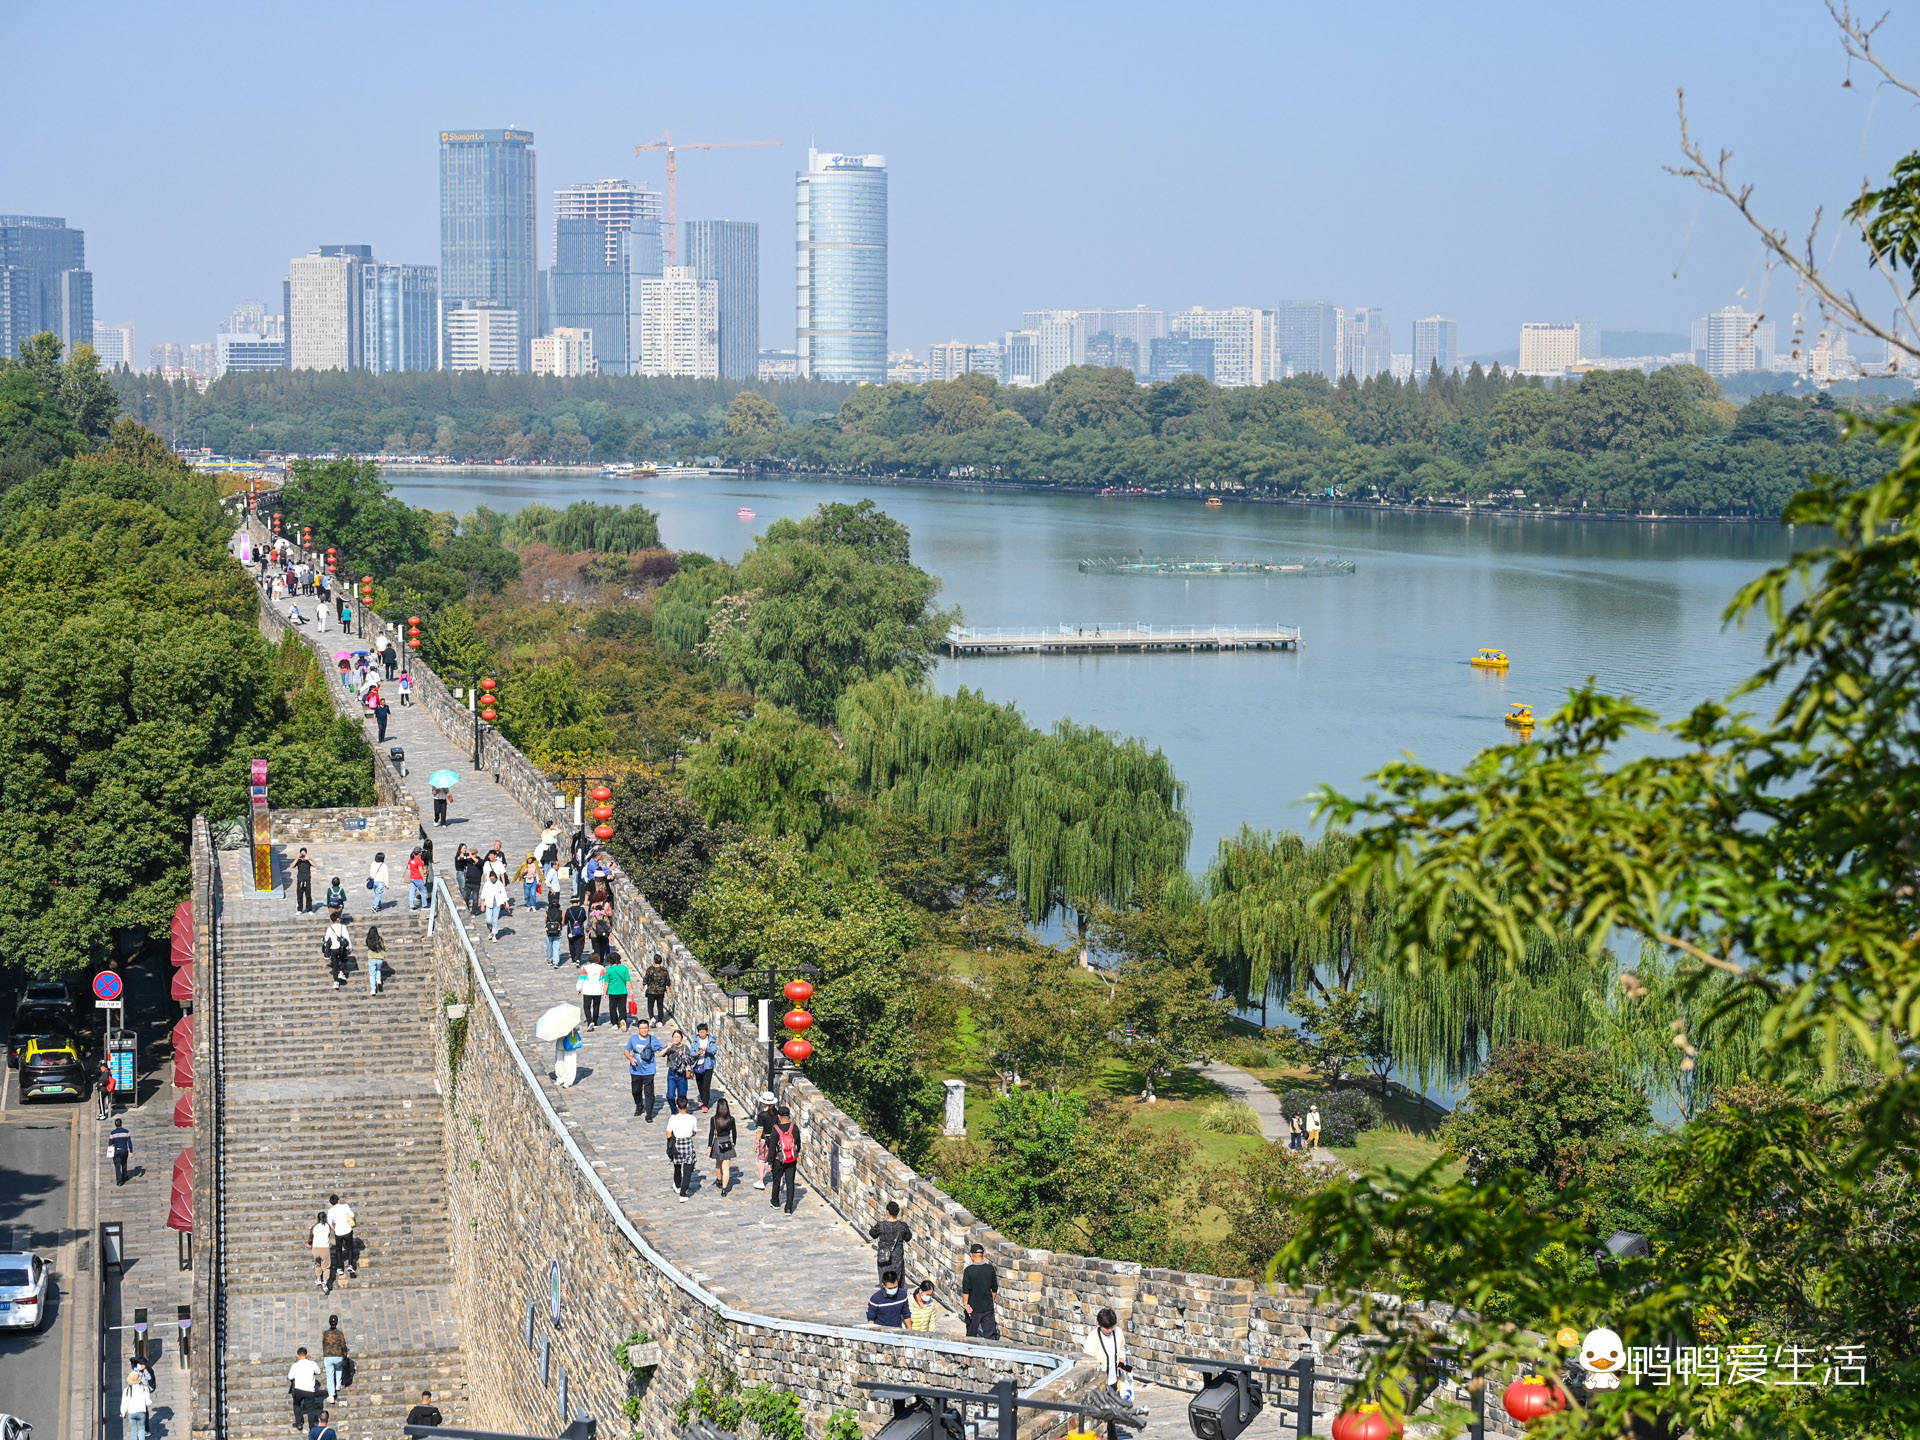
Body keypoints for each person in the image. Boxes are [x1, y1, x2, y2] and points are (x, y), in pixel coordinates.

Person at [1082, 1307, 1131, 1395]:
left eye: (1111, 1327)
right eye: (1106, 1328)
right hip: (1101, 1384)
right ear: (1100, 1325)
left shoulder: (1118, 1332)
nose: (1109, 1330)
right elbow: (1088, 1362)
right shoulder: (1092, 1338)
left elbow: (1122, 1348)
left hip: (1115, 1380)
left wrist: (1121, 1359)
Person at [766, 1105, 802, 1214]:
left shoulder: (776, 1129)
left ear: (779, 1116)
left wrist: (770, 1163)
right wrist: (793, 1154)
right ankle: (789, 1208)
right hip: (791, 1160)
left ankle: (775, 1202)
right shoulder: (794, 1128)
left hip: (779, 1159)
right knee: (790, 1182)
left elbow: (772, 1148)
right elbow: (798, 1145)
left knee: (777, 1180)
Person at [961, 1243, 999, 1339]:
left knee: (971, 1334)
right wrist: (992, 1301)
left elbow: (966, 1290)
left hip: (973, 1308)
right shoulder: (990, 1269)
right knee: (990, 1335)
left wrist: (966, 1305)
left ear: (971, 1255)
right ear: (983, 1255)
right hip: (987, 1307)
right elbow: (994, 1288)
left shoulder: (968, 1270)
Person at [869, 1201, 912, 1284]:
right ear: (897, 1212)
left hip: (884, 1256)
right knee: (897, 1281)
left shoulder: (881, 1225)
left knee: (884, 1280)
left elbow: (872, 1234)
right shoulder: (902, 1226)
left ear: (887, 1212)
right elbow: (908, 1238)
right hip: (897, 1258)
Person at [624, 1023, 662, 1119]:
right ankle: (639, 1105)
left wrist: (669, 1047)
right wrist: (631, 1059)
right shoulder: (633, 1039)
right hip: (636, 1070)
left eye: (645, 1028)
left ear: (648, 1029)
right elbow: (627, 1050)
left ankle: (649, 1114)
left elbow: (662, 1049)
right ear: (638, 1029)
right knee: (636, 1090)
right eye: (642, 1028)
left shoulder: (653, 1040)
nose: (644, 1030)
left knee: (649, 1093)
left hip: (649, 1070)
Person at [666, 1100, 699, 1200]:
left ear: (677, 1106)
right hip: (687, 1144)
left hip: (677, 1144)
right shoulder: (692, 1118)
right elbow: (694, 1132)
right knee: (687, 1169)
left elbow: (668, 1133)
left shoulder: (673, 1118)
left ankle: (677, 1185)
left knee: (677, 1166)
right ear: (687, 1105)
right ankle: (683, 1194)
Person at [288, 1347, 324, 1432]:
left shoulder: (295, 1365)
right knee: (311, 1410)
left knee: (296, 1406)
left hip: (298, 1390)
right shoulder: (312, 1363)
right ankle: (311, 1428)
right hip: (309, 1390)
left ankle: (299, 1423)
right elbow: (318, 1371)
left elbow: (290, 1377)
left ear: (298, 1356)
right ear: (306, 1355)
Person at [707, 1098, 737, 1195]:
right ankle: (724, 1190)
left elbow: (711, 1133)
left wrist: (709, 1146)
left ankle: (719, 1180)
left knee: (718, 1164)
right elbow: (734, 1132)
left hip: (717, 1142)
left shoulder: (714, 1119)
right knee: (726, 1168)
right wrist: (734, 1142)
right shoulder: (731, 1119)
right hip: (727, 1142)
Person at [326, 1193, 357, 1278]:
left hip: (338, 1232)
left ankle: (340, 1268)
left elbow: (329, 1223)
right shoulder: (345, 1206)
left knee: (338, 1250)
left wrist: (334, 1229)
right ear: (338, 1200)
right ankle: (350, 1265)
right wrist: (353, 1222)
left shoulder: (330, 1211)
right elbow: (352, 1215)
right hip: (347, 1230)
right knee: (350, 1248)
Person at [121, 1362, 154, 1440]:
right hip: (141, 1412)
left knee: (134, 1430)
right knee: (142, 1429)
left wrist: (123, 1413)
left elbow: (124, 1403)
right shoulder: (144, 1388)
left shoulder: (126, 1390)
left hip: (131, 1413)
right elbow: (148, 1402)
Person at [321, 1314, 349, 1402]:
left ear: (329, 1323)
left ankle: (331, 1395)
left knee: (329, 1376)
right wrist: (345, 1353)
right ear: (336, 1323)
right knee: (339, 1368)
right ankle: (338, 1384)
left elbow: (323, 1343)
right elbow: (343, 1345)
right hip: (338, 1355)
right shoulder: (340, 1333)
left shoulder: (325, 1333)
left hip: (328, 1356)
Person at [753, 1091, 778, 1189]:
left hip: (765, 1140)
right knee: (776, 1159)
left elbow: (760, 1130)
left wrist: (756, 1142)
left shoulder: (762, 1115)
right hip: (776, 1140)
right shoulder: (777, 1114)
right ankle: (777, 1179)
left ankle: (761, 1181)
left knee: (762, 1160)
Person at [691, 1022, 717, 1109]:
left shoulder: (711, 1040)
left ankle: (705, 1104)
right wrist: (697, 1053)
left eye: (703, 1032)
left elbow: (714, 1051)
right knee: (699, 1084)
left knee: (706, 1085)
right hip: (697, 1065)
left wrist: (707, 1049)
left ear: (706, 1031)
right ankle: (703, 1099)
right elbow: (691, 1052)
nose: (701, 1034)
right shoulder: (695, 1040)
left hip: (708, 1065)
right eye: (700, 1032)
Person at [603, 950, 631, 1030]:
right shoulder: (624, 968)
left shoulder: (609, 970)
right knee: (622, 1007)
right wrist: (631, 990)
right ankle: (622, 1019)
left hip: (612, 992)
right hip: (622, 991)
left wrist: (605, 993)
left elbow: (606, 983)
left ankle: (614, 1023)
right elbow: (628, 980)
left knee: (613, 1008)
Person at [575, 956, 607, 1026]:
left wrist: (579, 989)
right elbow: (603, 980)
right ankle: (595, 1022)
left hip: (587, 990)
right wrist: (605, 991)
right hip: (598, 990)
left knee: (586, 1007)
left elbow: (581, 979)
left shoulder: (585, 968)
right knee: (596, 1006)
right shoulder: (601, 968)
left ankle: (589, 1021)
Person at [642, 953, 671, 1023]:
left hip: (651, 991)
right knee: (660, 1006)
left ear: (654, 960)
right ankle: (660, 1021)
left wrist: (643, 985)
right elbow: (668, 980)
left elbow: (646, 978)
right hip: (660, 991)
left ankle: (652, 1017)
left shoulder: (650, 969)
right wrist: (668, 987)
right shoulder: (664, 970)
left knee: (650, 1005)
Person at [481, 866, 509, 941]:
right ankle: (491, 930)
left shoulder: (499, 884)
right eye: (491, 878)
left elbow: (503, 893)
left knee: (495, 919)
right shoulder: (487, 884)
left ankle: (494, 934)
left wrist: (506, 902)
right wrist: (482, 904)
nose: (492, 879)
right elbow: (483, 894)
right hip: (489, 903)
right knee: (488, 920)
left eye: (493, 878)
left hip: (497, 903)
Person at [322, 920, 352, 989]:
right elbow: (347, 937)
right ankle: (341, 972)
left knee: (335, 965)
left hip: (333, 949)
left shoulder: (330, 928)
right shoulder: (343, 926)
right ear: (338, 919)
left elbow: (326, 939)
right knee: (343, 959)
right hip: (342, 947)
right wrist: (350, 946)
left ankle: (336, 982)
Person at [309, 1211, 333, 1289]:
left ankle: (318, 1279)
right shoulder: (328, 1226)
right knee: (326, 1267)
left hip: (315, 1248)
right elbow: (328, 1235)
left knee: (317, 1264)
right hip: (325, 1248)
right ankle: (325, 1282)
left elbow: (310, 1238)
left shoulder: (314, 1227)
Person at [563, 894, 588, 969]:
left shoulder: (569, 910)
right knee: (579, 944)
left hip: (571, 930)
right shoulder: (582, 910)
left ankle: (573, 958)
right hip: (580, 929)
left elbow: (566, 921)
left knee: (572, 943)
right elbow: (584, 918)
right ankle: (578, 958)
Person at [108, 1117, 133, 1186]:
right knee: (124, 1163)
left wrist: (110, 1153)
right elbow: (129, 1143)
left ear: (115, 1125)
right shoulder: (126, 1131)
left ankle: (119, 1181)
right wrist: (131, 1152)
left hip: (116, 1151)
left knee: (117, 1166)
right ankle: (124, 1176)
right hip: (124, 1150)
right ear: (121, 1124)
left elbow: (110, 1144)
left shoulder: (112, 1133)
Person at [588, 894, 614, 962]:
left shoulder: (592, 916)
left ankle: (597, 960)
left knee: (596, 949)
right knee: (602, 948)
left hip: (594, 935)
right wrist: (610, 933)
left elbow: (588, 925)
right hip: (603, 934)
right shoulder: (604, 916)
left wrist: (587, 931)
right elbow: (608, 925)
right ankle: (602, 960)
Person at [544, 895, 566, 967]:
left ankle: (549, 959)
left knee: (549, 946)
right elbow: (563, 922)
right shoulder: (561, 912)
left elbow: (545, 921)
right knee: (556, 946)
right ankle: (556, 962)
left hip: (549, 931)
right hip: (557, 931)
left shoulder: (548, 912)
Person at [366, 926, 386, 995]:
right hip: (380, 958)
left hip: (372, 959)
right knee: (378, 970)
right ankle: (378, 980)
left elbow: (364, 944)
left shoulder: (368, 939)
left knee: (372, 974)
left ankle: (373, 989)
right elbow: (385, 947)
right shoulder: (380, 939)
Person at [293, 847, 314, 913]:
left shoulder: (308, 860)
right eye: (302, 854)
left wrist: (309, 859)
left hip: (307, 880)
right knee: (299, 895)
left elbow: (314, 865)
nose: (303, 855)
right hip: (300, 880)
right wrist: (297, 858)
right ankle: (299, 909)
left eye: (304, 854)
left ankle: (309, 909)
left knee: (308, 896)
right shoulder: (298, 861)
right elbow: (292, 866)